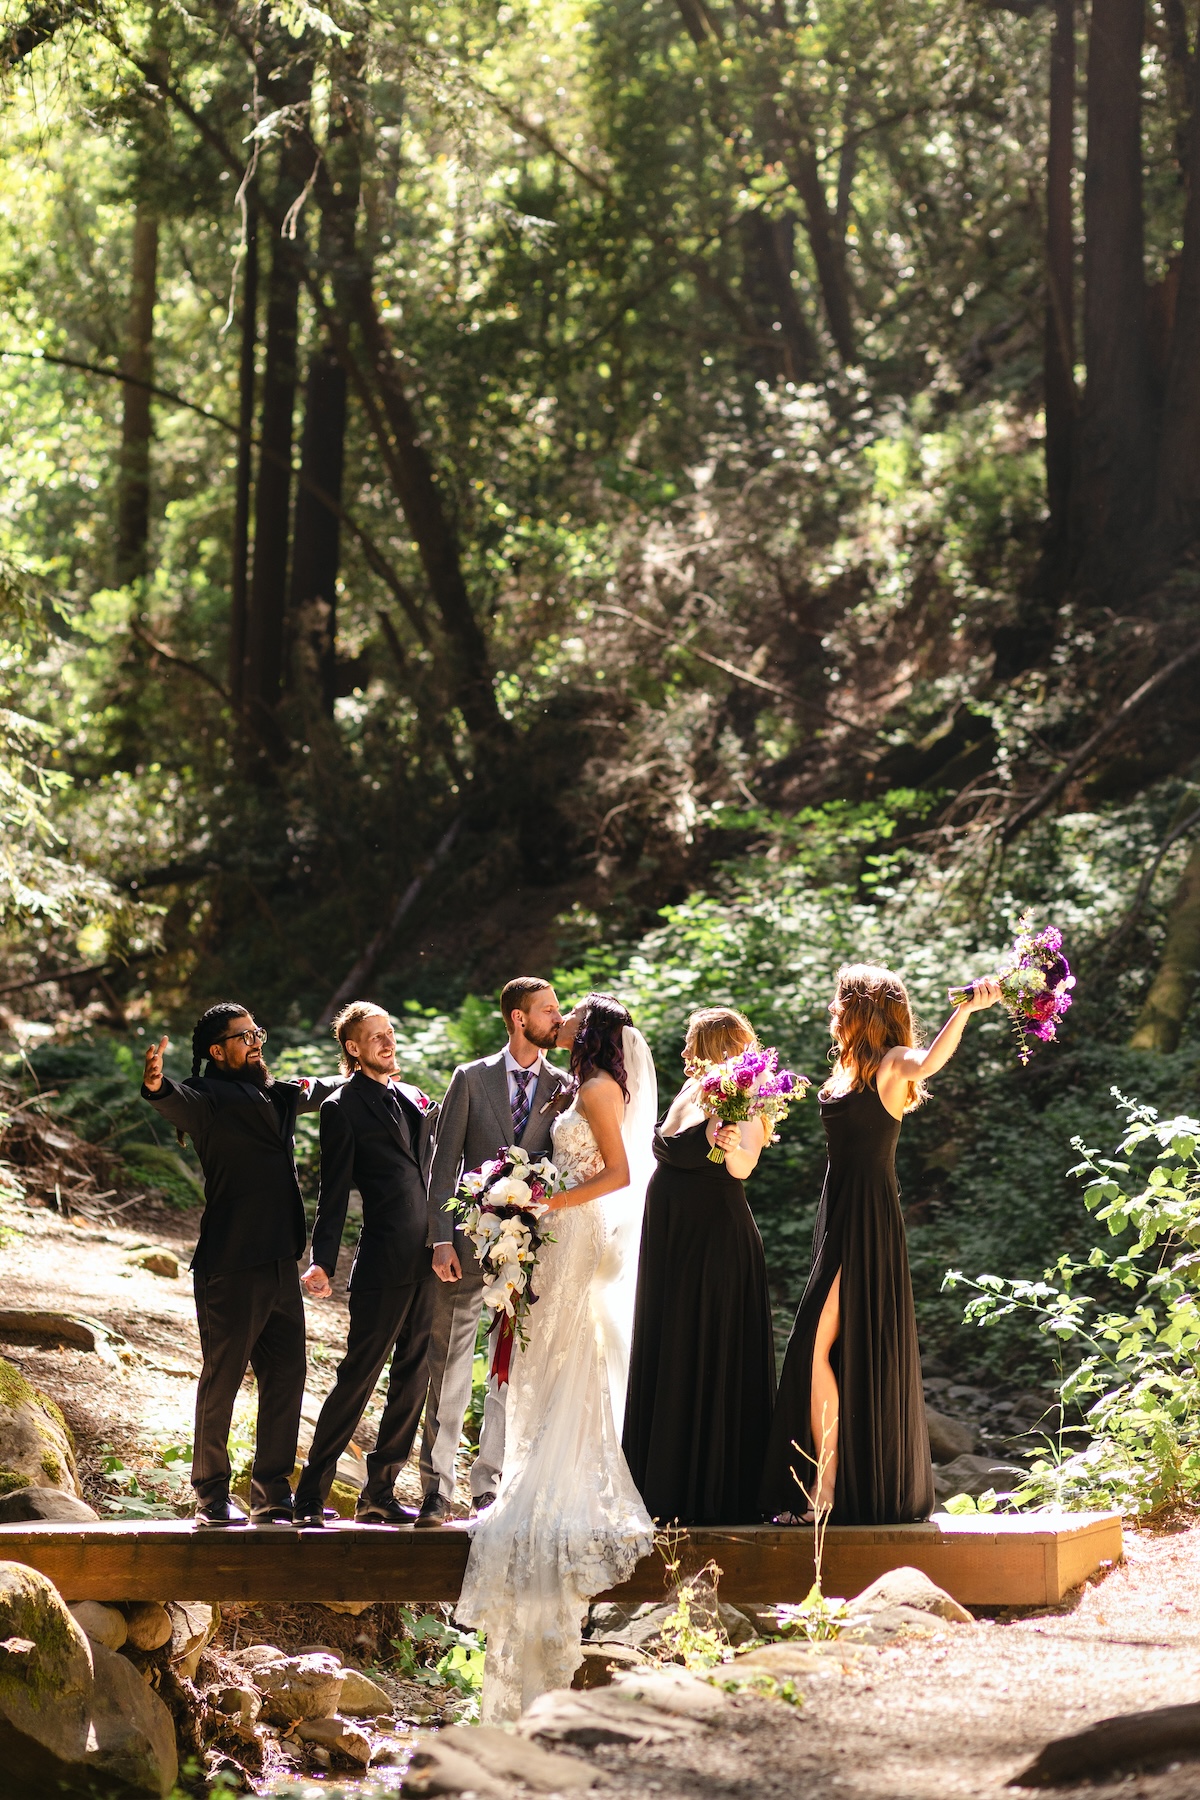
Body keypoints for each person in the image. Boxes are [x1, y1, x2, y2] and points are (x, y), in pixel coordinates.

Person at [456, 992, 657, 1723]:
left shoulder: (602, 1090)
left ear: (592, 1031)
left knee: (566, 1350)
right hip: (558, 1232)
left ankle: (559, 1477)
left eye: (572, 1014)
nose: (562, 1019)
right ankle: (531, 1467)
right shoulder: (578, 1086)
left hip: (576, 1230)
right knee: (547, 1356)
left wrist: (548, 1205)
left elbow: (621, 1174)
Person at [760, 964, 1002, 1526]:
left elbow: (930, 1061)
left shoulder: (894, 1066)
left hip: (867, 1221)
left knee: (811, 1350)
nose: (831, 1012)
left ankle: (827, 1490)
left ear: (861, 1010)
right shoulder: (846, 1070)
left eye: (838, 1003)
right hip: (837, 1212)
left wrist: (965, 1010)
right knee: (827, 1353)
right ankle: (831, 1486)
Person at [140, 1004, 343, 1526]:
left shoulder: (276, 1093)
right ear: (217, 1051)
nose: (256, 1041)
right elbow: (173, 1099)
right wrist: (157, 1084)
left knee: (287, 1377)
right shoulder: (208, 1097)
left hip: (280, 1263)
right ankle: (211, 1493)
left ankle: (271, 1490)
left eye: (258, 1031)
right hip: (230, 1265)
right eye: (244, 1036)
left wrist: (358, 1071)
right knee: (223, 1377)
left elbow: (317, 1089)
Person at [418, 977, 573, 1527]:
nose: (559, 1018)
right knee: (450, 1368)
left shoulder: (565, 1085)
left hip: (530, 1250)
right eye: (548, 1010)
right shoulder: (472, 1078)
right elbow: (445, 1162)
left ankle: (490, 1484)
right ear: (517, 1018)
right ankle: (437, 1490)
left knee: (508, 1369)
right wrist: (440, 1236)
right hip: (463, 1243)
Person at [622, 1006, 776, 1526]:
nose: (685, 1052)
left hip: (712, 1240)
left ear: (715, 1047)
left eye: (692, 1043)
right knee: (673, 1345)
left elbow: (744, 1168)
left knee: (703, 1345)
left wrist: (728, 1141)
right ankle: (659, 1479)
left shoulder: (745, 1099)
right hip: (674, 1240)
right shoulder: (692, 1092)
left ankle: (704, 1487)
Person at [293, 1003, 440, 1528]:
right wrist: (322, 1261)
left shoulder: (413, 1097)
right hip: (383, 1262)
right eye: (374, 1036)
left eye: (389, 1033)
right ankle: (309, 1496)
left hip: (431, 1259)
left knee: (413, 1379)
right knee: (357, 1377)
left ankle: (380, 1491)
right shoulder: (341, 1107)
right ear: (352, 1048)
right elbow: (332, 1192)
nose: (387, 1042)